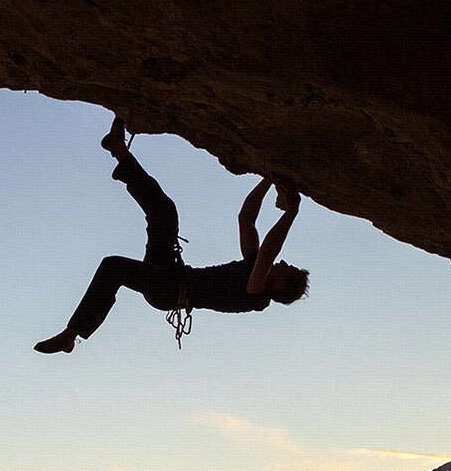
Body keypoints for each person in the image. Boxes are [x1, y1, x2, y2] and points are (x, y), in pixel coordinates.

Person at [35, 117, 310, 353]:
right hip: (170, 272)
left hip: (167, 290)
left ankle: (71, 335)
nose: (284, 263)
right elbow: (246, 219)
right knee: (163, 212)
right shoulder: (253, 267)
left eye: (287, 270)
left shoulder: (257, 295)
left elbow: (268, 252)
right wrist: (268, 178)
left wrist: (292, 211)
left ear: (278, 287)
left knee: (113, 266)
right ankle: (118, 149)